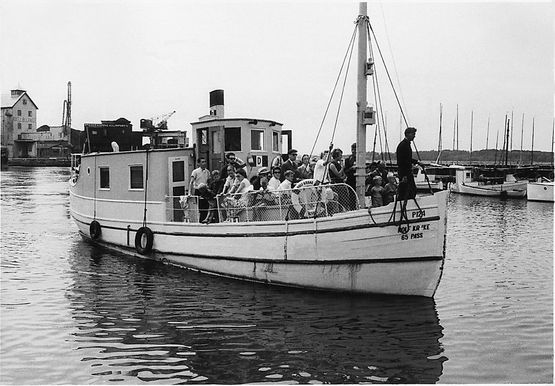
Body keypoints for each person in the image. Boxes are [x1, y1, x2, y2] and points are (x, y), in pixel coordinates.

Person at [396, 127, 420, 200]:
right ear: (408, 134)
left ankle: (406, 206)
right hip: (405, 173)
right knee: (409, 190)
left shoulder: (405, 144)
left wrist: (417, 162)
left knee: (409, 191)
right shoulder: (404, 145)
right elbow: (403, 161)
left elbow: (407, 159)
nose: (414, 136)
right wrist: (404, 175)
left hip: (405, 172)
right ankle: (405, 207)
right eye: (413, 134)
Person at [189, 157, 210, 222]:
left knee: (206, 205)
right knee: (200, 206)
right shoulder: (195, 171)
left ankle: (205, 220)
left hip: (205, 190)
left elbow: (208, 181)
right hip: (198, 190)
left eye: (205, 161)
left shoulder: (207, 172)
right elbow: (191, 182)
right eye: (202, 162)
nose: (204, 163)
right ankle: (200, 221)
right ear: (199, 163)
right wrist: (189, 192)